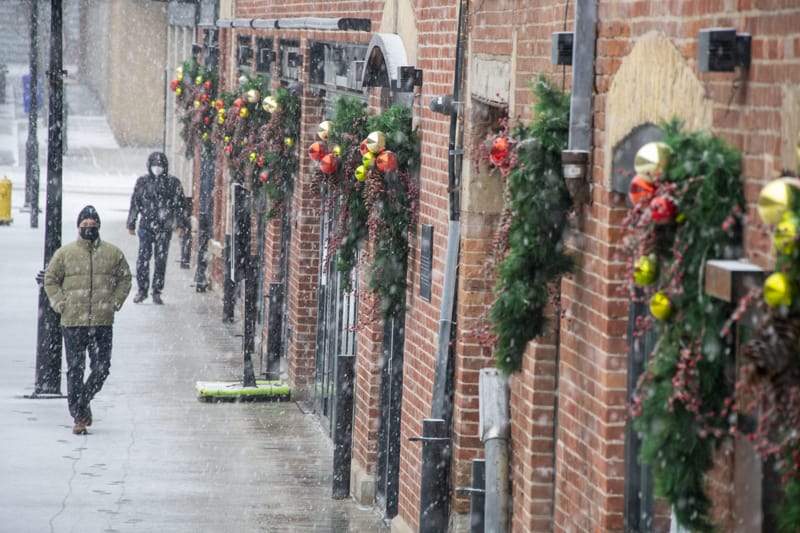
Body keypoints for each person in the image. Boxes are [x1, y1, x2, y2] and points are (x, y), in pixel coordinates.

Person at [44, 206, 132, 435]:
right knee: (75, 368)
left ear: (99, 227)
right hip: (73, 321)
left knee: (102, 368)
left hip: (102, 321)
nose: (89, 230)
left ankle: (81, 404)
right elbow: (50, 280)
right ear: (78, 227)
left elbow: (125, 278)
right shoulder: (65, 254)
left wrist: (115, 302)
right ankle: (80, 417)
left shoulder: (113, 253)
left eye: (93, 226)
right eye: (85, 226)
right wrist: (61, 304)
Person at [127, 151, 188, 304]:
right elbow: (135, 203)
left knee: (160, 259)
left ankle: (157, 290)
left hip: (164, 227)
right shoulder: (143, 182)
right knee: (143, 258)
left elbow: (180, 206)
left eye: (160, 165)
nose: (157, 168)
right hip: (146, 226)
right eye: (154, 165)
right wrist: (131, 222)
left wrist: (180, 225)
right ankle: (142, 290)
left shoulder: (173, 183)